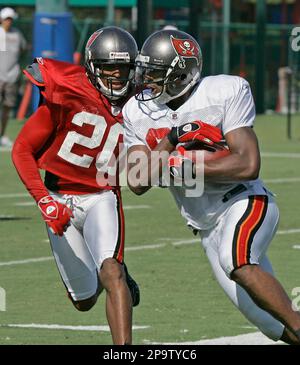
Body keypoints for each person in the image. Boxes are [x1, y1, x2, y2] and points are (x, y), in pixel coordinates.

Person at [123, 29, 300, 344]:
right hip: (205, 227)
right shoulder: (137, 112)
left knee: (238, 262)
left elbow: (247, 165)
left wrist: (177, 164)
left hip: (243, 202)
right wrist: (172, 138)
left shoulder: (224, 91)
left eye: (155, 73)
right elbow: (137, 182)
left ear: (181, 73)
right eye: (145, 71)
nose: (145, 80)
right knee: (271, 324)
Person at [12, 26, 140, 345]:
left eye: (123, 67)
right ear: (92, 67)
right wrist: (44, 200)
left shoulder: (139, 103)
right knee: (83, 301)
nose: (117, 75)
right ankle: (106, 277)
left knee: (112, 272)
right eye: (109, 67)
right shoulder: (66, 90)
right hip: (59, 196)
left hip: (103, 196)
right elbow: (22, 150)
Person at [0, 7, 27, 147]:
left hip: (12, 77)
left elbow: (22, 50)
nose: (8, 22)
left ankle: (2, 135)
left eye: (10, 19)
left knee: (7, 107)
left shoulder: (17, 34)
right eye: (6, 19)